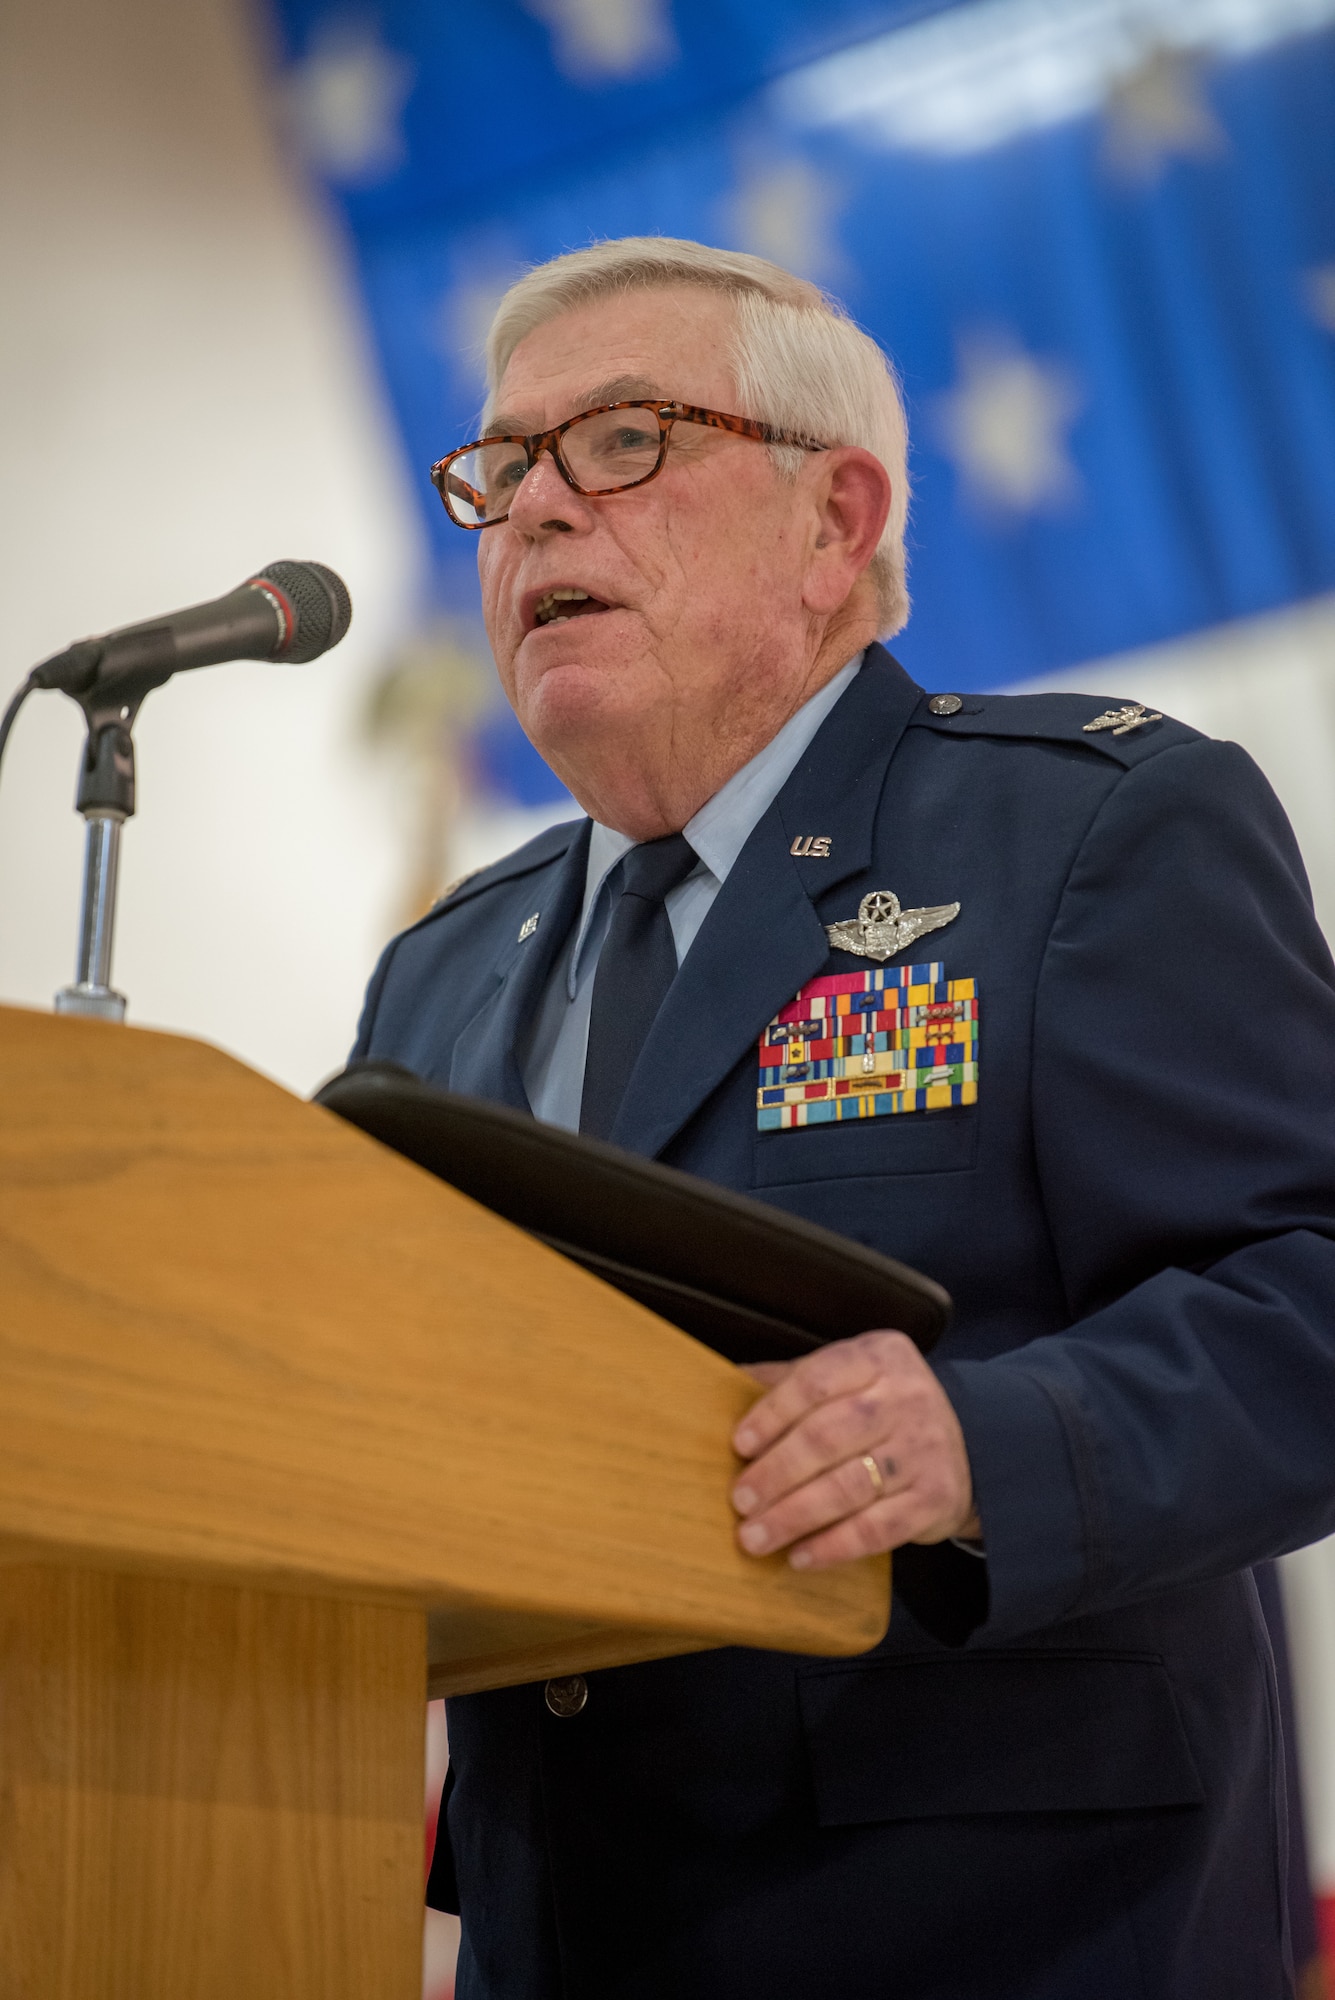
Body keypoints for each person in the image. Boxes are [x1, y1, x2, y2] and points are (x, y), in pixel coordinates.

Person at [352, 237, 1335, 1999]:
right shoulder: (436, 975)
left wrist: (984, 1448)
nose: (536, 514)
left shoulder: (1093, 833)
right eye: (501, 470)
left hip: (1010, 1934)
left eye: (623, 441)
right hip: (568, 1930)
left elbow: (1313, 1295)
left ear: (838, 518)